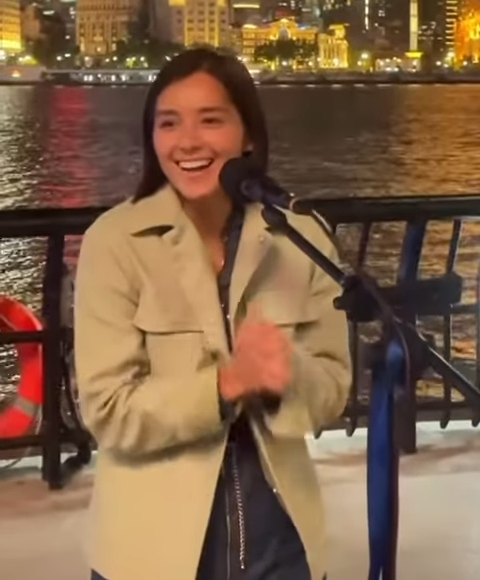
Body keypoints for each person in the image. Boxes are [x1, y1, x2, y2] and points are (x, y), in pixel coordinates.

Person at [74, 47, 351, 580]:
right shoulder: (114, 242)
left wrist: (286, 377)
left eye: (210, 120)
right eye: (169, 123)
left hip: (282, 548)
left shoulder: (303, 237)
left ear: (248, 135)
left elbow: (333, 389)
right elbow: (108, 410)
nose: (188, 141)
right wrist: (225, 384)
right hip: (148, 555)